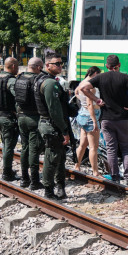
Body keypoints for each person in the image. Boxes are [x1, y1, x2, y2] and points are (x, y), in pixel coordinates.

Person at [77, 54, 128, 186]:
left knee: (111, 148)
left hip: (106, 119)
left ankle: (115, 177)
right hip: (123, 119)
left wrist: (96, 100)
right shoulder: (125, 77)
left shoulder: (100, 77)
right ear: (119, 65)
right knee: (127, 148)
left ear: (106, 66)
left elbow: (83, 88)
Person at [36, 52, 73, 199]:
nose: (59, 66)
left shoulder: (43, 80)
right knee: (52, 158)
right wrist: (64, 130)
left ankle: (60, 187)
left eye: (60, 63)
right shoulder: (50, 83)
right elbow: (54, 110)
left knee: (59, 157)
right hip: (52, 125)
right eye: (56, 64)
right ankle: (48, 191)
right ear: (47, 65)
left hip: (49, 123)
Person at [0, 57, 21, 182]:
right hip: (9, 117)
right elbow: (18, 97)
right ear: (12, 66)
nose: (17, 69)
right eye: (17, 66)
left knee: (5, 143)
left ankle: (8, 170)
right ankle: (7, 173)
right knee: (8, 146)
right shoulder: (11, 80)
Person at [15, 57, 45, 189]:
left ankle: (24, 179)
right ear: (38, 67)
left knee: (25, 147)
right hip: (34, 118)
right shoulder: (37, 79)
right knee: (33, 150)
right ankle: (34, 181)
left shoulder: (19, 78)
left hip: (21, 116)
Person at [73, 66, 102, 174]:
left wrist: (82, 101)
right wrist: (94, 121)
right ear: (95, 74)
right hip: (90, 116)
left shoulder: (82, 83)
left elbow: (76, 92)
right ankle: (95, 172)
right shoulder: (91, 87)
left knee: (82, 144)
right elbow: (90, 104)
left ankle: (77, 166)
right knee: (93, 147)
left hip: (82, 114)